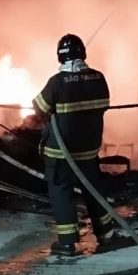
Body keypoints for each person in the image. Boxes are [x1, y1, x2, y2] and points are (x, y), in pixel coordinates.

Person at [32, 33, 115, 256]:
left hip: (61, 152)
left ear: (60, 57)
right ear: (83, 54)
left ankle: (67, 243)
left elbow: (39, 109)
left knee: (61, 192)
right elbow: (104, 105)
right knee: (93, 190)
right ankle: (106, 235)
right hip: (89, 150)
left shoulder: (56, 83)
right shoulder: (99, 78)